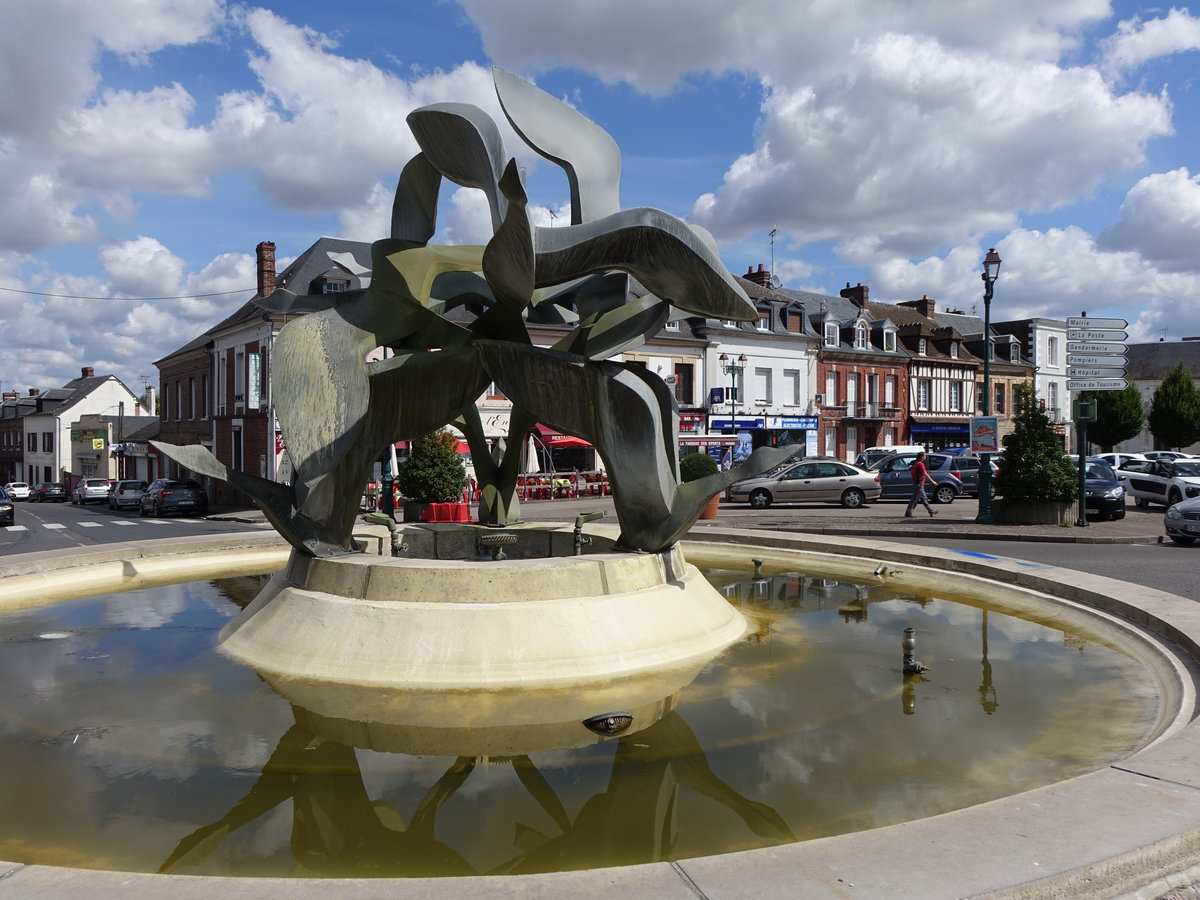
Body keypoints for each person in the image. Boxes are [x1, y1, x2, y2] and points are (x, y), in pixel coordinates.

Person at [905, 451, 938, 518]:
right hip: (919, 484)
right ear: (922, 457)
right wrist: (932, 481)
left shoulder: (917, 463)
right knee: (915, 499)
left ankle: (931, 511)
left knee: (923, 499)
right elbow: (925, 473)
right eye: (925, 456)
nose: (925, 457)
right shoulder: (920, 464)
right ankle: (908, 513)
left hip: (918, 484)